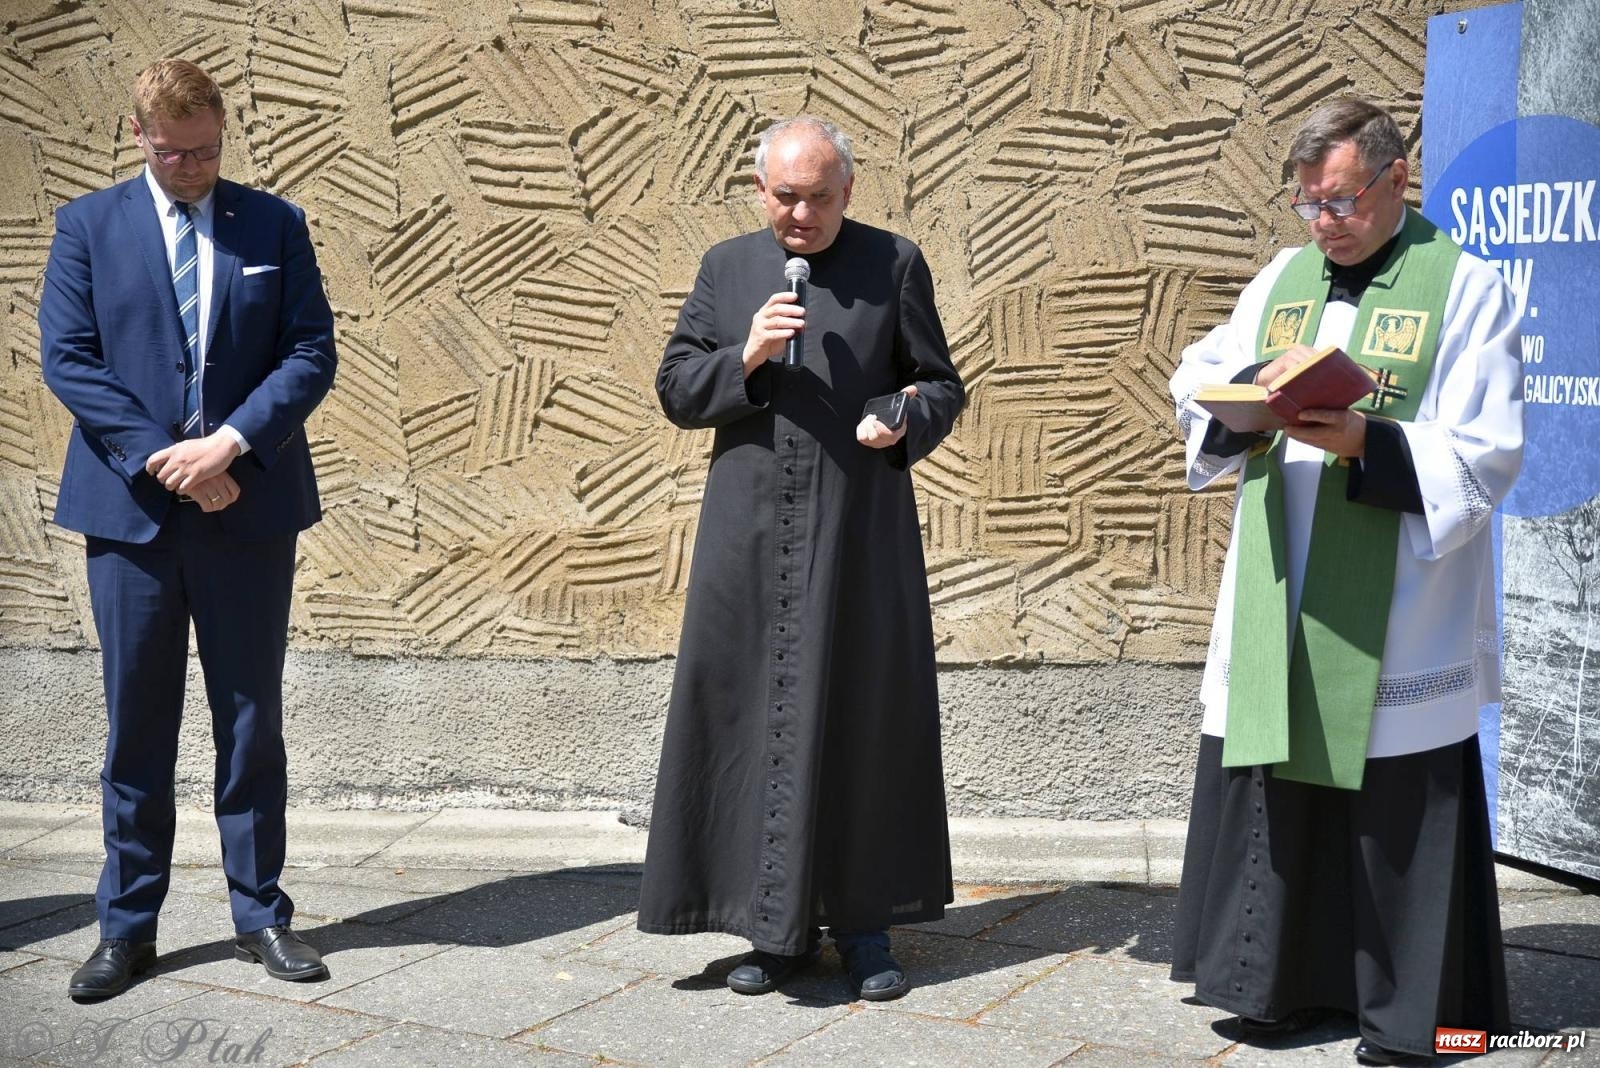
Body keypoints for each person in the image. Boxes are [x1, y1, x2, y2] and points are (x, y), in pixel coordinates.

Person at [1168, 97, 1521, 1066]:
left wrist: (1370, 440)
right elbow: (1202, 367)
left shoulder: (1467, 286)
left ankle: (1411, 1016)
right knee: (1280, 779)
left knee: (1391, 798)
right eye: (1307, 203)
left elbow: (1488, 449)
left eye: (1338, 201)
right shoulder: (1285, 275)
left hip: (1398, 602)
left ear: (1393, 180)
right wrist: (1239, 404)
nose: (1321, 223)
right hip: (1281, 583)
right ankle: (1280, 986)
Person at [637, 116, 964, 1002]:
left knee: (861, 722)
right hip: (748, 544)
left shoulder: (894, 262)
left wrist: (901, 412)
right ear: (760, 191)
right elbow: (676, 388)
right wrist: (745, 353)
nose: (803, 214)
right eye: (787, 196)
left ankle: (863, 929)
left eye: (821, 197)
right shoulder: (726, 268)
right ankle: (771, 929)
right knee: (748, 722)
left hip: (858, 538)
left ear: (847, 192)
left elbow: (941, 384)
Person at [40, 58, 338, 1000]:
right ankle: (127, 926)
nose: (195, 168)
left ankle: (261, 914)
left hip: (249, 509)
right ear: (138, 137)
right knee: (138, 723)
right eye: (175, 154)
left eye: (208, 149)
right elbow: (71, 359)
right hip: (130, 518)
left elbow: (309, 351)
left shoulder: (275, 224)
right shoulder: (87, 227)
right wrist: (170, 459)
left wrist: (231, 449)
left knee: (251, 720)